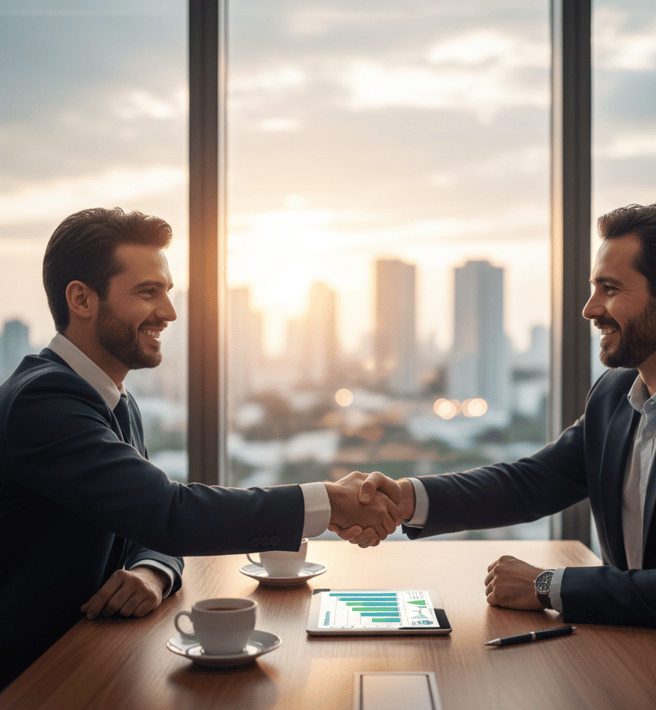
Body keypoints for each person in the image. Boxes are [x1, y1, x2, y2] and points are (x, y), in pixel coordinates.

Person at [337, 203, 656, 683]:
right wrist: (408, 498)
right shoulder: (613, 395)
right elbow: (533, 481)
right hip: (634, 655)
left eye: (610, 289)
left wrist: (546, 585)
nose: (590, 309)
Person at [0, 207, 401, 690]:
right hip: (31, 676)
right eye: (148, 292)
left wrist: (151, 571)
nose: (169, 312)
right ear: (81, 299)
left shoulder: (112, 400)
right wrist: (325, 502)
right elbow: (167, 513)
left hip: (93, 658)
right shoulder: (44, 403)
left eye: (167, 292)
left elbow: (142, 519)